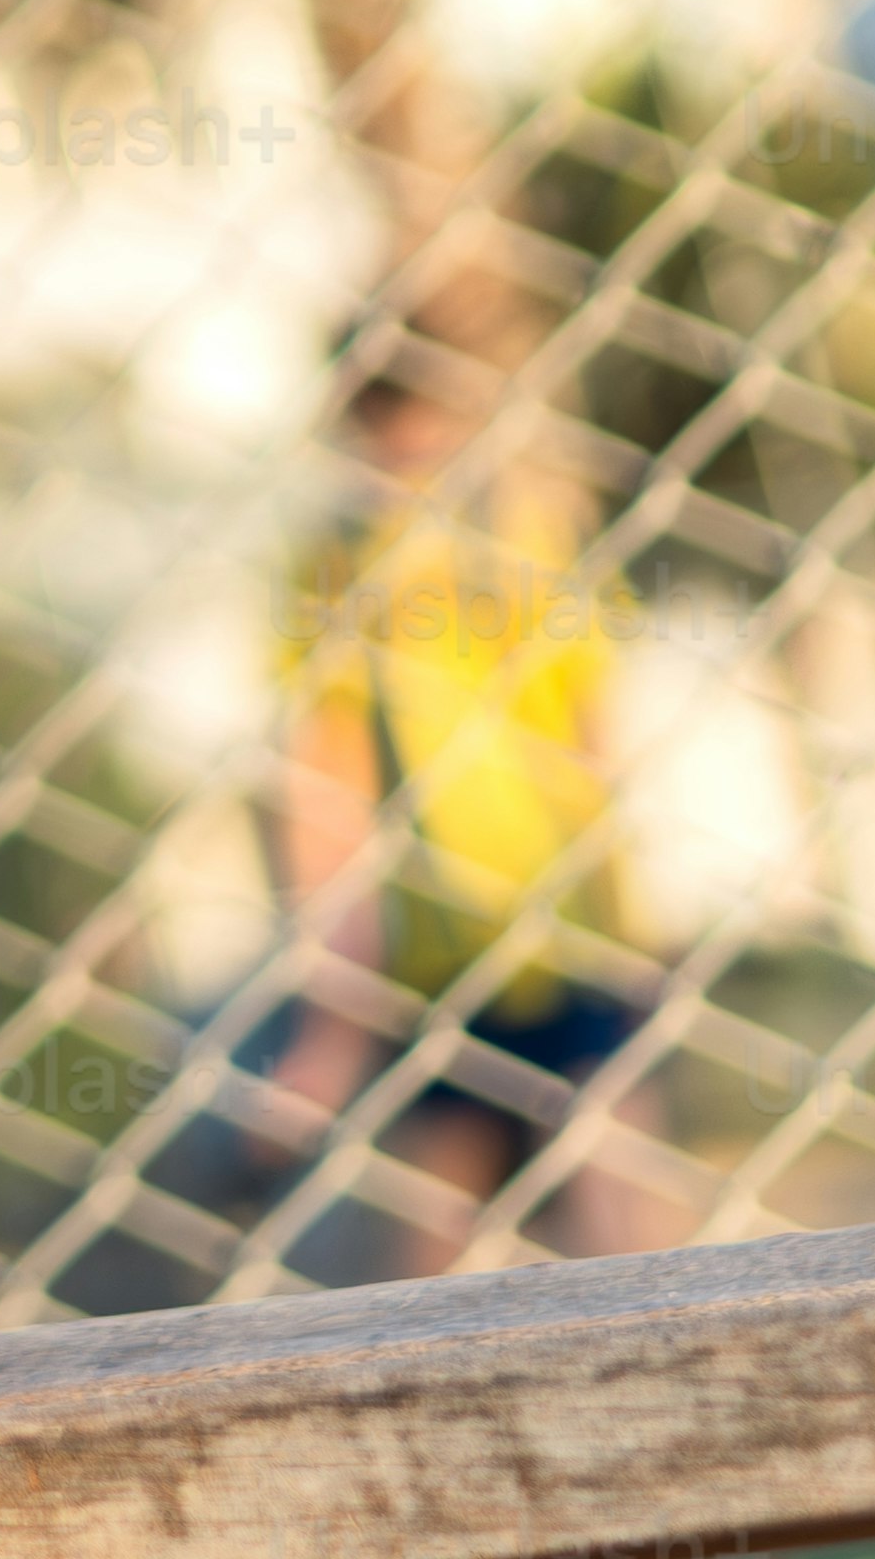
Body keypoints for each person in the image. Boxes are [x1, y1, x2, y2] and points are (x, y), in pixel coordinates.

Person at [245, 342, 680, 1265]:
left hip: (567, 925)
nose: (410, 455)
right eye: (388, 430)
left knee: (621, 1201)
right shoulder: (335, 573)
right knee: (448, 1224)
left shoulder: (529, 544)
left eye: (424, 428)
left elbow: (595, 731)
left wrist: (634, 913)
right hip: (435, 949)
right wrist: (336, 999)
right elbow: (329, 782)